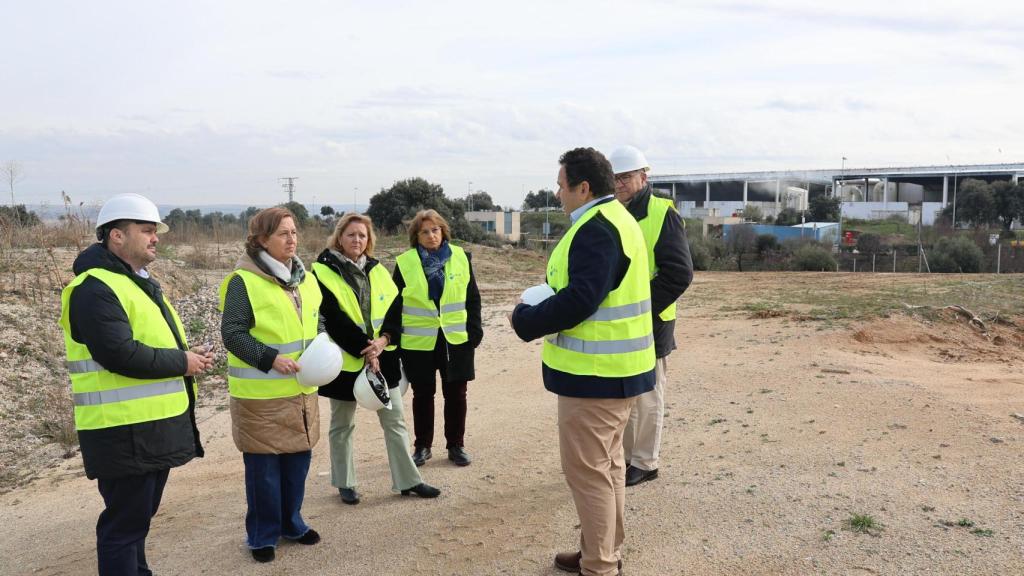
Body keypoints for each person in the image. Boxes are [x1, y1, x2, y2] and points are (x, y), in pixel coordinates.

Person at [511, 148, 655, 576]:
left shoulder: (597, 228)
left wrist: (526, 320)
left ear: (583, 187)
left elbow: (581, 299)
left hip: (595, 377)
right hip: (615, 374)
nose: (557, 193)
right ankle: (600, 551)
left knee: (590, 474)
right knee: (607, 469)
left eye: (561, 185)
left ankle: (600, 566)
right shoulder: (616, 220)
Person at [59, 193, 213, 576]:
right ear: (116, 236)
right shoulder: (94, 289)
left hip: (144, 429)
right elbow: (120, 354)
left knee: (135, 522)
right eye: (146, 230)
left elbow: (145, 343)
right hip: (121, 431)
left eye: (155, 231)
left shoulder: (137, 283)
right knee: (124, 527)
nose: (155, 237)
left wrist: (185, 354)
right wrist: (183, 361)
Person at [311, 213, 441, 503]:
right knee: (342, 424)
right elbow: (333, 316)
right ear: (339, 237)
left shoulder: (379, 270)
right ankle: (345, 483)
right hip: (345, 360)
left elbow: (395, 311)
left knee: (395, 421)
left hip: (384, 356)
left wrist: (384, 341)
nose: (357, 240)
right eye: (351, 234)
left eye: (363, 236)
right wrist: (366, 349)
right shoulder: (320, 271)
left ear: (369, 240)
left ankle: (409, 480)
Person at [219, 207, 323, 563]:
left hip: (301, 392)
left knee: (297, 465)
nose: (292, 239)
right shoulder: (242, 282)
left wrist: (324, 349)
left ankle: (292, 524)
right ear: (262, 240)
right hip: (260, 396)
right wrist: (270, 359)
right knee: (263, 474)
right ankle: (262, 535)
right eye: (283, 233)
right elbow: (232, 334)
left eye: (294, 232)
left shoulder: (305, 278)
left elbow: (316, 321)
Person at [609, 145, 693, 487]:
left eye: (627, 177)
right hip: (622, 321)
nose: (620, 184)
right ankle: (628, 458)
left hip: (652, 320)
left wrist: (642, 307)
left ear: (644, 176)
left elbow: (679, 273)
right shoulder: (614, 213)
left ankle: (646, 461)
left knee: (647, 395)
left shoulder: (662, 213)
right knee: (626, 393)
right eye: (615, 178)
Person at [394, 209, 483, 467]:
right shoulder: (405, 262)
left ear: (443, 231)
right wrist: (395, 340)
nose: (431, 236)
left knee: (457, 394)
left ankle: (456, 445)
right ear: (416, 236)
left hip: (456, 339)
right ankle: (422, 446)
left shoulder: (461, 257)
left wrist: (474, 331)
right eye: (425, 231)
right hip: (418, 342)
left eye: (435, 230)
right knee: (423, 395)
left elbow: (472, 297)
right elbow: (395, 304)